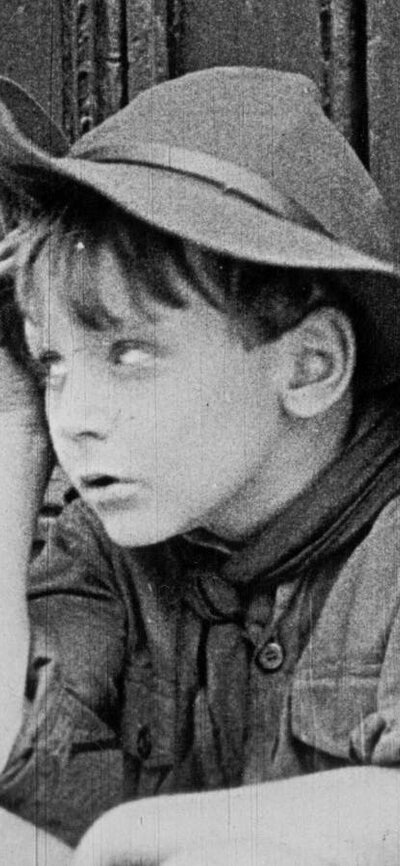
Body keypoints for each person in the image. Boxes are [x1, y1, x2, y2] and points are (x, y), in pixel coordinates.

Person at [0, 66, 399, 865]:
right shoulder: (111, 549)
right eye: (53, 365)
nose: (75, 418)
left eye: (128, 354)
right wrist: (15, 437)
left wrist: (136, 835)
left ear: (310, 366)